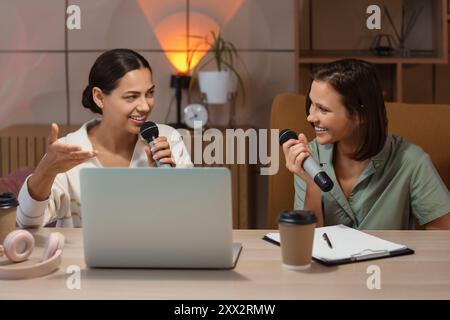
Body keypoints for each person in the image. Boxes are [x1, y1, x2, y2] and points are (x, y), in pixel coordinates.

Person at [16, 49, 193, 228]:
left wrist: (166, 181)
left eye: (150, 93)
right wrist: (45, 171)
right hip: (82, 257)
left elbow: (190, 218)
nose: (145, 106)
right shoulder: (67, 151)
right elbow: (26, 222)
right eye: (131, 96)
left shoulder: (168, 139)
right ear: (100, 97)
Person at [282, 59, 450, 230]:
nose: (310, 117)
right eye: (311, 104)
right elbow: (307, 241)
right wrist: (312, 185)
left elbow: (443, 233)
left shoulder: (410, 160)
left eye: (323, 109)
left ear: (361, 114)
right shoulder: (308, 157)